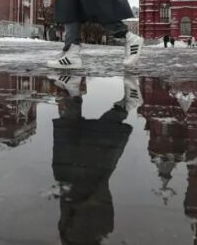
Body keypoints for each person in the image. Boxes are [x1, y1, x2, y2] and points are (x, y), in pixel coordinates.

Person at [51, 75, 138, 245]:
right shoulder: (96, 229)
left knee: (69, 140)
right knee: (90, 149)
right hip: (86, 193)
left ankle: (73, 94)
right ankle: (125, 106)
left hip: (75, 195)